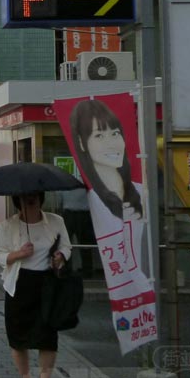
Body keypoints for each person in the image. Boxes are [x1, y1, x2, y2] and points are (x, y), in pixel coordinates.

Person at [0, 191, 71, 378]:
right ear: (17, 200)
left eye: (35, 196)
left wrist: (61, 256)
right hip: (19, 285)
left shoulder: (56, 222)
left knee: (48, 337)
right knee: (18, 337)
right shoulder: (7, 226)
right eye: (26, 197)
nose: (31, 199)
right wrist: (19, 254)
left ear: (41, 198)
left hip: (47, 284)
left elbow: (66, 246)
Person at [69, 98, 149, 279]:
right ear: (82, 143)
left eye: (115, 133)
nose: (112, 143)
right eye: (99, 135)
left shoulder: (140, 191)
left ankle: (88, 269)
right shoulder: (95, 196)